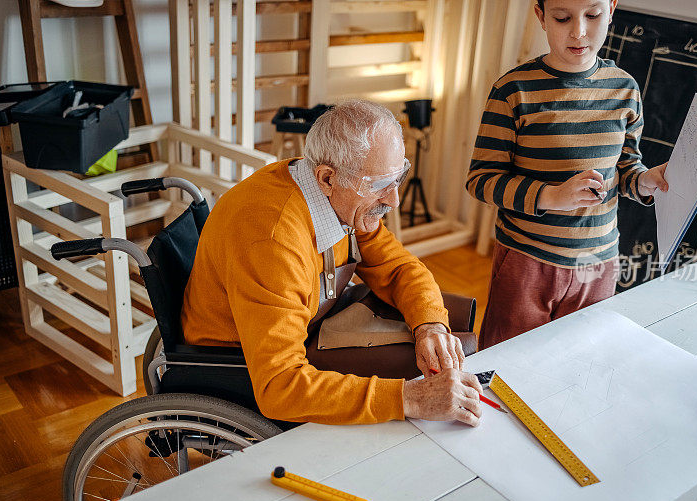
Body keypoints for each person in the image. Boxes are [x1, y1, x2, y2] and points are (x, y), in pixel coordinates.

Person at [181, 99, 483, 426]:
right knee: (414, 390)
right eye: (380, 184)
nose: (394, 199)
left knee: (455, 331)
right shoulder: (273, 240)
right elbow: (279, 387)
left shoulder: (335, 191)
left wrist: (430, 325)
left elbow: (397, 268)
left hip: (310, 322)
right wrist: (408, 398)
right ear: (327, 178)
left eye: (399, 176)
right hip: (240, 363)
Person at [466, 0, 669, 349]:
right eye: (562, 17)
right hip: (527, 261)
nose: (579, 31)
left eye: (593, 15)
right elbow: (481, 180)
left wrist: (645, 181)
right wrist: (551, 196)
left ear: (612, 9)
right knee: (506, 364)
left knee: (576, 363)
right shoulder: (513, 90)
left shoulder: (625, 89)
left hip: (598, 263)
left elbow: (624, 169)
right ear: (541, 15)